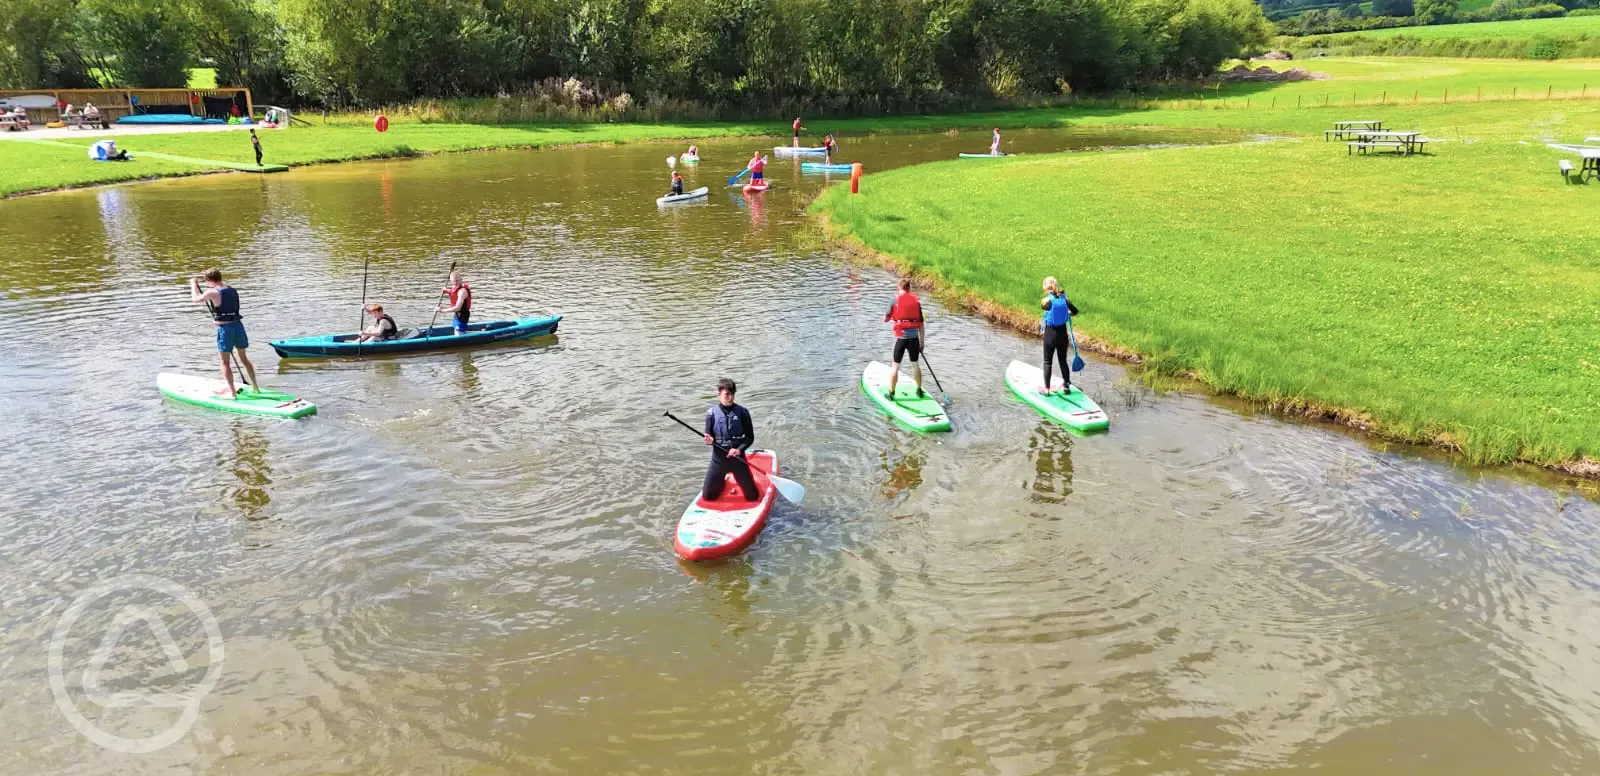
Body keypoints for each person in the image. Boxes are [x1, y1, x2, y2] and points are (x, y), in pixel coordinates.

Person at [189, 268, 258, 398]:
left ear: (209, 280)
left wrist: (193, 284)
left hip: (226, 330)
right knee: (244, 359)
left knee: (225, 363)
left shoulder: (212, 292)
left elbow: (195, 299)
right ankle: (255, 387)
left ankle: (233, 394)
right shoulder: (232, 289)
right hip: (239, 327)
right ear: (219, 277)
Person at [702, 378, 759, 502]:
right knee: (707, 497)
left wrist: (739, 450)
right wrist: (708, 440)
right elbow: (708, 436)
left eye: (732, 394)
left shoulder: (743, 412)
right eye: (727, 394)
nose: (730, 397)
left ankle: (736, 480)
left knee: (753, 497)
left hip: (738, 460)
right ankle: (721, 483)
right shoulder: (711, 414)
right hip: (718, 461)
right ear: (719, 395)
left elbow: (750, 437)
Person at [883, 278, 926, 400]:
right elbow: (921, 325)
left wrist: (892, 316)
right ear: (909, 288)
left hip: (900, 338)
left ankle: (891, 393)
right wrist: (922, 342)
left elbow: (885, 319)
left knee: (895, 367)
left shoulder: (893, 300)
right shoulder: (916, 302)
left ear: (899, 287)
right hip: (914, 339)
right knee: (915, 365)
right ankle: (919, 390)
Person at [1040, 276, 1081, 395]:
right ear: (1056, 286)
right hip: (1063, 334)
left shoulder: (1047, 300)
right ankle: (1066, 386)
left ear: (1045, 288)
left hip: (1050, 334)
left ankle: (1047, 389)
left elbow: (1045, 307)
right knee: (1063, 360)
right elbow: (1075, 311)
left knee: (1047, 362)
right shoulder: (1064, 298)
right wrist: (1067, 313)